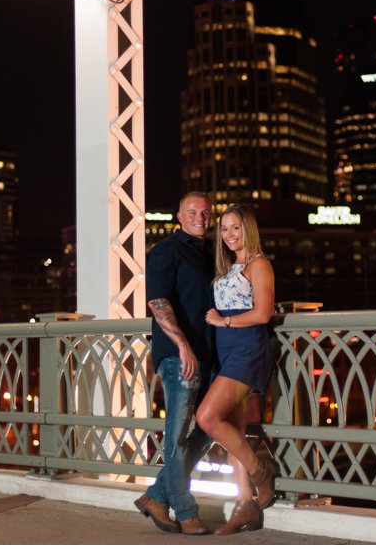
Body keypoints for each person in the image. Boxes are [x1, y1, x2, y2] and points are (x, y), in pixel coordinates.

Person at [133, 192, 217, 535]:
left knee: (208, 427)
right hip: (178, 356)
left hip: (210, 355)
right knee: (178, 434)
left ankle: (155, 495)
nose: (200, 217)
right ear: (179, 217)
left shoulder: (210, 254)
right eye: (193, 212)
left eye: (206, 213)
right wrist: (181, 344)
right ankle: (185, 510)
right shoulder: (168, 251)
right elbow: (156, 300)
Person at [196, 204, 277, 535]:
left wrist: (223, 319)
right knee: (232, 430)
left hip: (246, 349)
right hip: (225, 353)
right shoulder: (230, 267)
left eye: (235, 228)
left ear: (248, 230)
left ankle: (260, 470)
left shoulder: (259, 264)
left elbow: (263, 314)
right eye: (224, 229)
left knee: (207, 418)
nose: (229, 235)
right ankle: (245, 505)